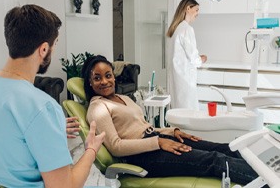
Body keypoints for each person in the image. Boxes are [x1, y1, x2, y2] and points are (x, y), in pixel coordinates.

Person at [0, 4, 105, 188]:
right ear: (43, 49)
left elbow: (0, 144)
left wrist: (47, 131)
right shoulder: (42, 106)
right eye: (54, 45)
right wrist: (92, 149)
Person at [83, 55, 258, 185]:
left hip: (156, 141)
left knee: (224, 148)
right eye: (97, 78)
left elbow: (145, 127)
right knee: (214, 160)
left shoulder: (123, 98)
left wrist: (171, 132)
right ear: (90, 83)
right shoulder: (98, 107)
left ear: (114, 76)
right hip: (141, 156)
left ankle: (269, 169)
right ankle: (266, 181)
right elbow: (116, 146)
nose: (105, 81)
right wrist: (158, 142)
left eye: (108, 75)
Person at [166, 0, 207, 110]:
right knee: (189, 116)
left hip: (177, 81)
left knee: (179, 115)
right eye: (197, 10)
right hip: (185, 82)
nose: (197, 14)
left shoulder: (176, 29)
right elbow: (194, 59)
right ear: (188, 8)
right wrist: (202, 59)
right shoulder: (186, 29)